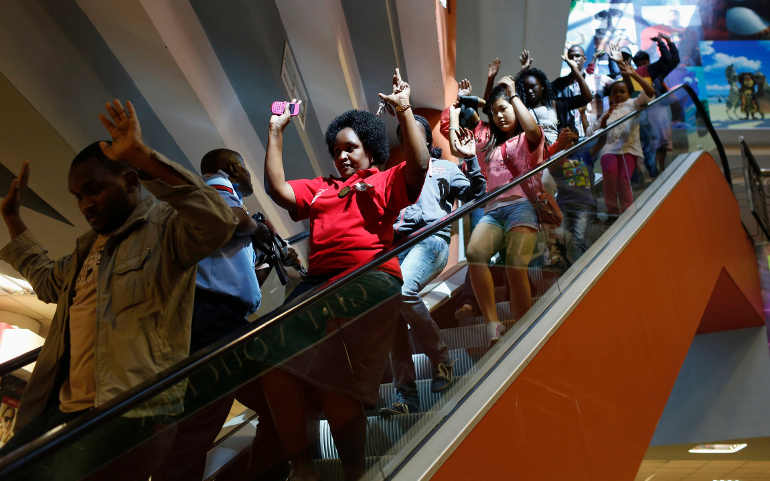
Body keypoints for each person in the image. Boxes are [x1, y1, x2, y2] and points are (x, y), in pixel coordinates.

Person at [0, 100, 238, 479]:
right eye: (78, 196)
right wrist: (13, 221)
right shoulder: (86, 248)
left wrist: (143, 158)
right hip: (64, 410)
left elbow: (219, 221)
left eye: (94, 190)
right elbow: (47, 283)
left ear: (129, 182)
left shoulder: (164, 229)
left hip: (129, 412)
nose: (85, 205)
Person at [259, 68, 428, 480]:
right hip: (319, 285)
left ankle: (354, 471)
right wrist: (276, 131)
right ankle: (303, 468)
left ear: (370, 150)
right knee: (273, 361)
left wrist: (404, 111)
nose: (343, 157)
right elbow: (278, 189)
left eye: (351, 148)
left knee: (339, 378)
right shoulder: (320, 187)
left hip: (369, 277)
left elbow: (420, 164)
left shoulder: (384, 180)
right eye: (336, 151)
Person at [153, 148, 276, 481]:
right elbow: (231, 218)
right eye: (246, 167)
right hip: (215, 317)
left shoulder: (200, 196)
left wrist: (256, 271)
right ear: (234, 167)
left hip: (213, 315)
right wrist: (258, 230)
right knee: (207, 417)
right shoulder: (217, 184)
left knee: (200, 419)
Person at [381, 113, 486, 416]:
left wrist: (472, 159)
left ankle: (441, 361)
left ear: (426, 139)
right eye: (404, 134)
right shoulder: (395, 173)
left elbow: (476, 196)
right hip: (396, 247)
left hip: (430, 241)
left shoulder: (444, 168)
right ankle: (406, 395)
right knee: (390, 312)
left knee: (402, 291)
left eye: (415, 132)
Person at [440, 77, 545, 345]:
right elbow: (456, 145)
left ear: (514, 106)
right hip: (493, 209)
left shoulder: (526, 138)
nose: (499, 115)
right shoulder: (488, 142)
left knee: (515, 265)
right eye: (495, 111)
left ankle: (523, 327)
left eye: (504, 109)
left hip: (522, 206)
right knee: (475, 253)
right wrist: (455, 110)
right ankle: (493, 324)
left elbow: (533, 130)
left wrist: (513, 95)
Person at [589, 61, 656, 218]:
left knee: (624, 179)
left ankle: (628, 213)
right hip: (609, 151)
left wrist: (633, 75)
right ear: (611, 96)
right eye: (615, 92)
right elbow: (594, 130)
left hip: (629, 149)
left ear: (628, 93)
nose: (618, 95)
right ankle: (612, 212)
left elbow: (650, 93)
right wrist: (606, 116)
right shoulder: (607, 110)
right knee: (610, 178)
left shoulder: (633, 104)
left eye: (622, 91)